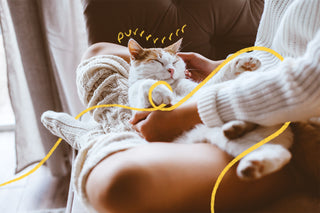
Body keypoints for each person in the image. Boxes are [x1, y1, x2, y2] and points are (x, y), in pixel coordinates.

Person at [41, 0, 319, 212]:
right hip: (264, 83)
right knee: (98, 53)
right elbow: (286, 46)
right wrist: (221, 67)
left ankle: (94, 133)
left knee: (118, 184)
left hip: (303, 120)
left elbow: (312, 82)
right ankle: (121, 127)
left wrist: (190, 114)